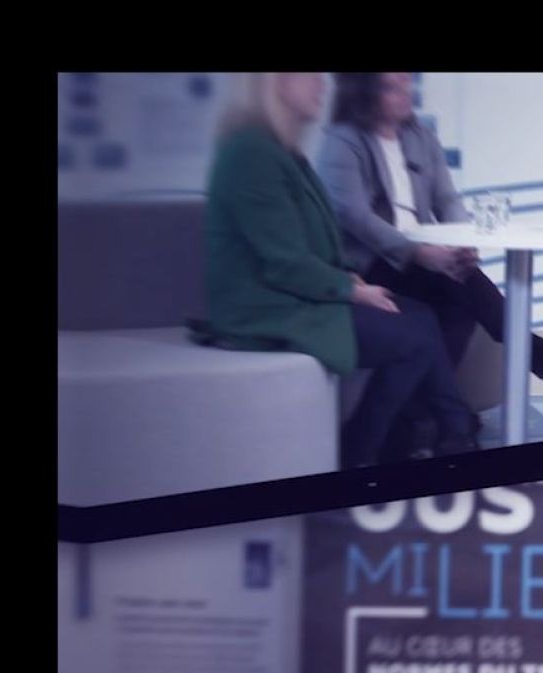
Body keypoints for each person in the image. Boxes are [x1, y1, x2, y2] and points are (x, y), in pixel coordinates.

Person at [193, 72, 478, 469]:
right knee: (413, 337)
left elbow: (310, 241)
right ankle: (372, 449)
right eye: (311, 76)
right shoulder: (251, 152)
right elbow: (284, 262)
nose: (322, 86)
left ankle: (429, 434)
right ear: (277, 82)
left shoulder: (282, 150)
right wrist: (354, 290)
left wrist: (350, 277)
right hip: (265, 309)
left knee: (421, 317)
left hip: (295, 296)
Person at [318, 72, 543, 389]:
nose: (405, 92)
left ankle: (435, 411)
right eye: (392, 87)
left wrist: (462, 242)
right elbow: (355, 216)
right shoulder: (344, 140)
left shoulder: (419, 136)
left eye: (406, 82)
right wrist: (417, 253)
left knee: (459, 303)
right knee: (463, 285)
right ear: (364, 92)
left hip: (420, 261)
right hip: (373, 263)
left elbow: (446, 198)